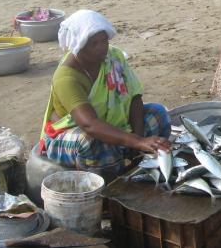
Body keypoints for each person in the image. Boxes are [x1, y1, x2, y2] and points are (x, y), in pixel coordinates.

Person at [39, 10, 171, 173]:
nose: (102, 48)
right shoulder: (67, 77)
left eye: (104, 41)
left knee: (158, 113)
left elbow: (134, 97)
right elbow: (89, 124)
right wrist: (137, 141)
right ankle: (109, 189)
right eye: (94, 44)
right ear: (78, 45)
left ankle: (139, 167)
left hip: (114, 124)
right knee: (93, 142)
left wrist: (139, 139)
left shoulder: (113, 57)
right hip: (71, 135)